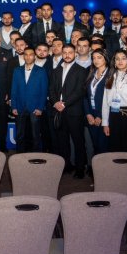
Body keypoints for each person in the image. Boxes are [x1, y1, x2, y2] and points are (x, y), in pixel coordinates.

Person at [49, 44, 88, 177]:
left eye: (70, 52)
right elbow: (51, 89)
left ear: (75, 53)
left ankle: (80, 169)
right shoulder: (56, 70)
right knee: (62, 141)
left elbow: (80, 91)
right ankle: (66, 166)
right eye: (64, 52)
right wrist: (55, 102)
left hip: (74, 112)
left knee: (78, 141)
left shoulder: (81, 71)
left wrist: (64, 104)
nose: (67, 55)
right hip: (59, 111)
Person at [11, 47, 48, 152]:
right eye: (26, 54)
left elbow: (44, 91)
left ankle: (36, 155)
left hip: (35, 107)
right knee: (20, 134)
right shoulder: (17, 70)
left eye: (31, 54)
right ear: (23, 56)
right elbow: (14, 89)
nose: (28, 57)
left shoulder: (41, 71)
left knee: (35, 134)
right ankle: (19, 154)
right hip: (20, 106)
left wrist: (40, 107)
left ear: (35, 56)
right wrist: (14, 106)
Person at [84, 49, 111, 158]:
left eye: (99, 57)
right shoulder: (91, 73)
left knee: (104, 147)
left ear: (105, 58)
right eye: (94, 58)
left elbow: (112, 99)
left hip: (105, 115)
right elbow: (85, 96)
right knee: (96, 146)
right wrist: (88, 114)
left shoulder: (111, 74)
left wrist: (101, 116)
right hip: (91, 115)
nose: (96, 60)